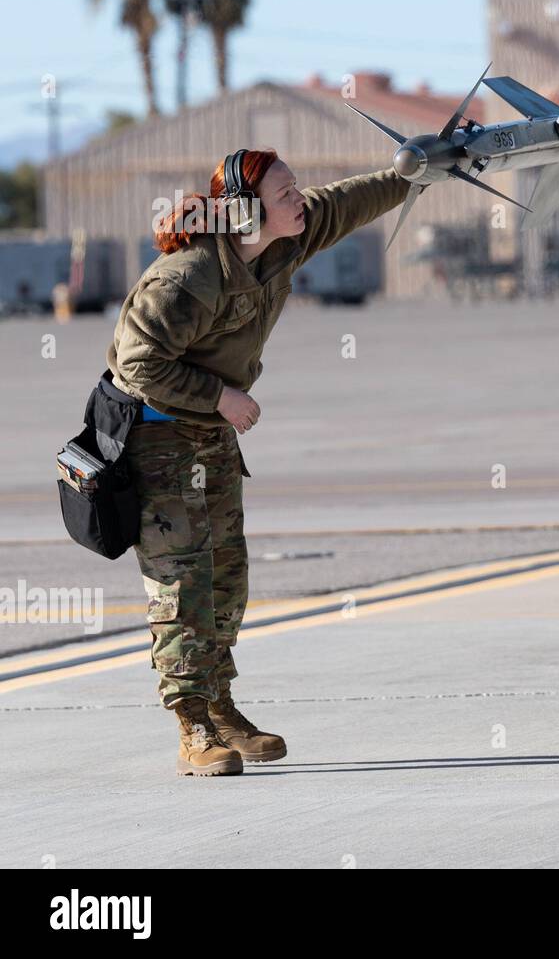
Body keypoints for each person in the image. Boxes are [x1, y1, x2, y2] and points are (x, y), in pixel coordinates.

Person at [107, 149, 408, 776]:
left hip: (211, 438)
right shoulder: (186, 277)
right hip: (160, 440)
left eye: (296, 188)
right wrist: (220, 396)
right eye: (285, 192)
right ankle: (192, 726)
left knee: (226, 578)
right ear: (247, 210)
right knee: (182, 581)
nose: (300, 198)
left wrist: (414, 171)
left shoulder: (280, 243)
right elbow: (136, 364)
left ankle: (221, 708)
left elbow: (348, 202)